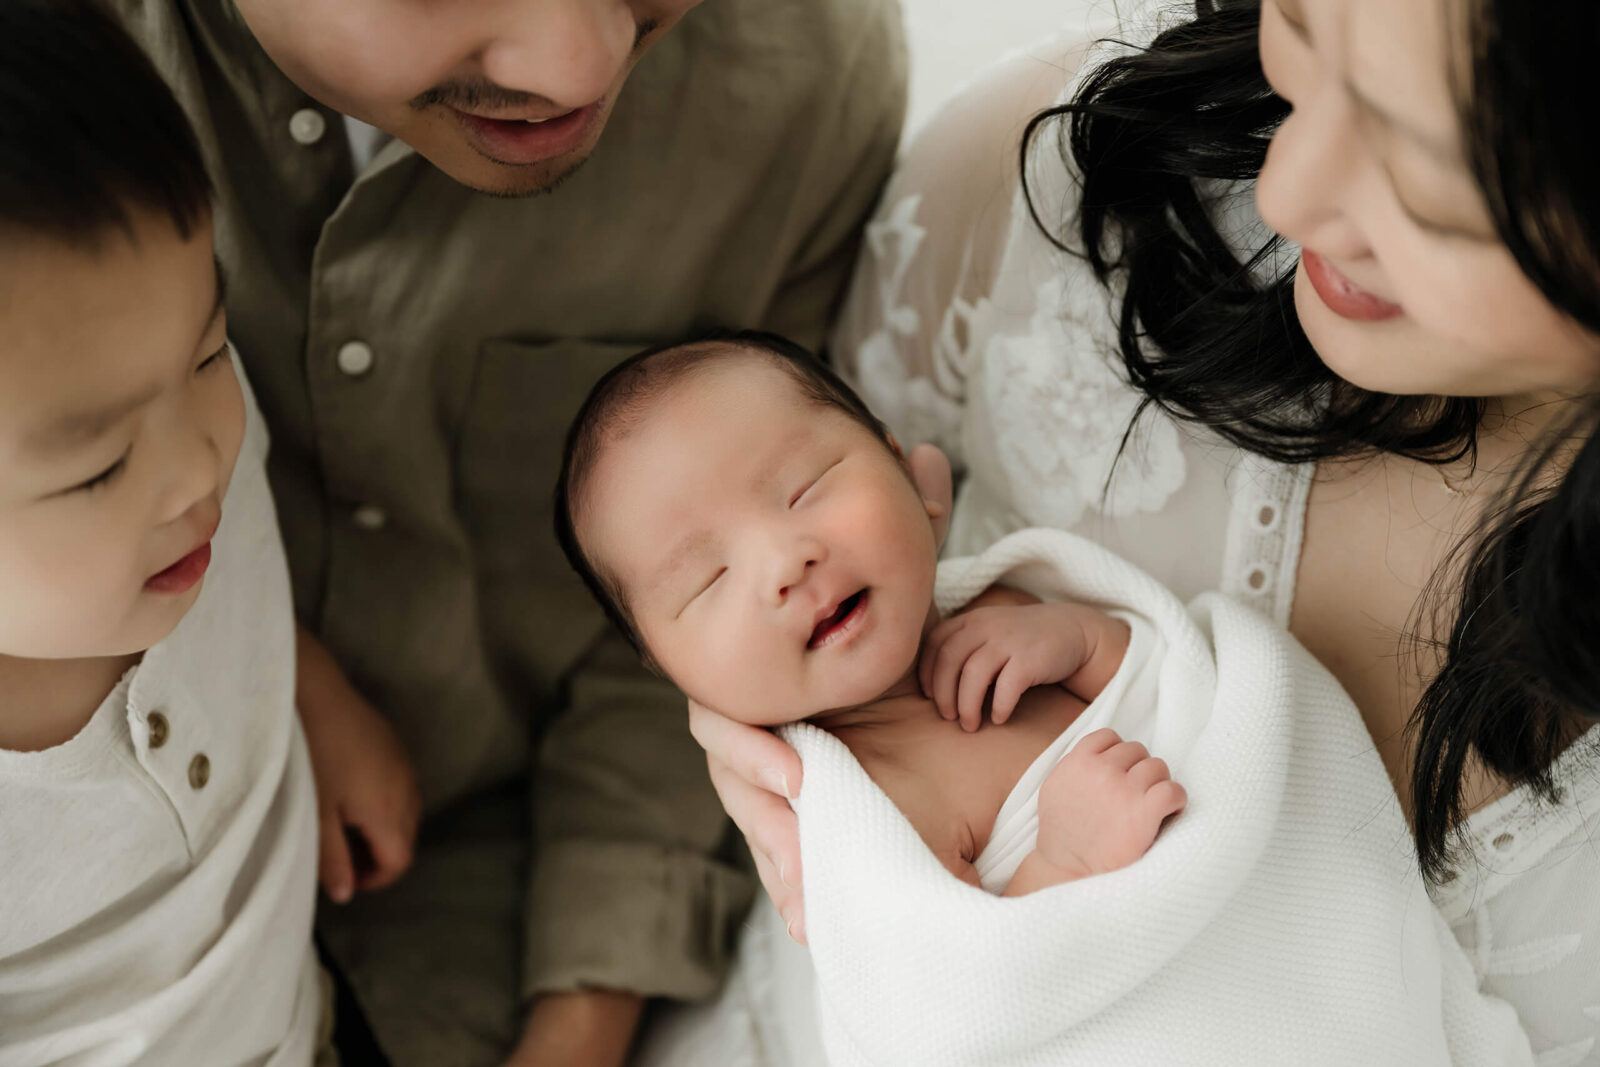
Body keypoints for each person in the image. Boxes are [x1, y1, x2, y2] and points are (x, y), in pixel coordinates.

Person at [694, 0, 1600, 1058]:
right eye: (1303, 30)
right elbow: (732, 485)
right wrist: (751, 688)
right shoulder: (1095, 170)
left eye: (1435, 185)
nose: (1286, 187)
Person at [105, 0, 906, 1063]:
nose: (583, 63)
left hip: (496, 894)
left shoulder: (804, 79)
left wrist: (580, 1019)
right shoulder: (54, 81)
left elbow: (698, 659)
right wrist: (274, 665)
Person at [0, 2, 413, 1062]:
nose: (202, 460)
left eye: (210, 349)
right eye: (97, 466)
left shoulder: (180, 481)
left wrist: (312, 694)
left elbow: (243, 586)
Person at [554, 334, 1186, 895]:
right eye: (708, 580)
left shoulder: (1016, 605)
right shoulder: (862, 813)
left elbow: (1191, 694)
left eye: (804, 488)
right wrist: (1065, 866)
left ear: (913, 478)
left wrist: (1088, 642)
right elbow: (955, 1005)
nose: (785, 562)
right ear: (675, 678)